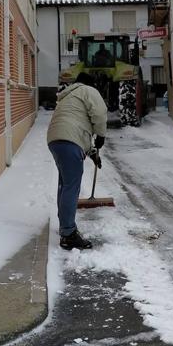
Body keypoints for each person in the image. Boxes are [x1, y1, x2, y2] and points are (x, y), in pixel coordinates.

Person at [47, 72, 107, 250]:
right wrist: (101, 136)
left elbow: (77, 126)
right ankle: (68, 234)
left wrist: (92, 152)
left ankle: (65, 226)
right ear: (90, 83)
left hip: (56, 140)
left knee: (65, 184)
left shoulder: (69, 96)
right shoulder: (89, 90)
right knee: (71, 186)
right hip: (69, 140)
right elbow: (100, 113)